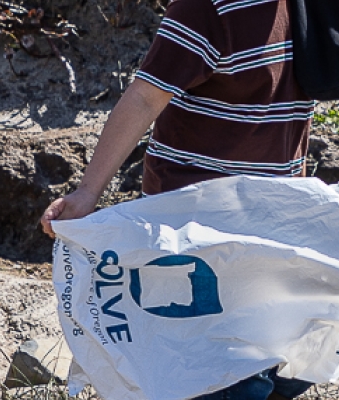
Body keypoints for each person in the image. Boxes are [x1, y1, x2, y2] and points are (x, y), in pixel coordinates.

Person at [38, 0, 317, 398]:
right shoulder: (306, 8)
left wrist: (88, 193)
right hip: (270, 220)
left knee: (202, 362)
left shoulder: (209, 7)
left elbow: (145, 99)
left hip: (194, 226)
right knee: (252, 353)